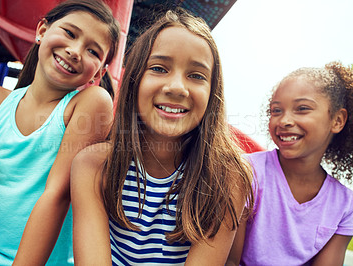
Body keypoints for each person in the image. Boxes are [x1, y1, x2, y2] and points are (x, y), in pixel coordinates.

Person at [71, 8, 254, 265]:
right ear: (134, 80)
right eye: (158, 68)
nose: (177, 87)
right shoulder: (94, 166)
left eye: (196, 75)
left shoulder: (227, 176)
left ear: (213, 93)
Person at [0, 0, 120, 265]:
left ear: (99, 71)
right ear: (42, 30)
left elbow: (57, 194)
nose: (76, 51)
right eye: (70, 33)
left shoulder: (90, 103)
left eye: (93, 51)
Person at [226, 62, 353, 266]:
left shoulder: (345, 205)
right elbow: (230, 261)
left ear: (337, 120)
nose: (284, 120)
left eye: (302, 109)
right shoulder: (246, 172)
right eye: (276, 110)